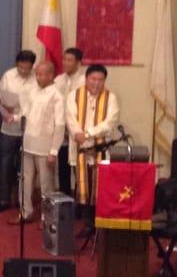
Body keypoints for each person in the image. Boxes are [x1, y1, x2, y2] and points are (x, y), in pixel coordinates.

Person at [6, 62, 65, 229]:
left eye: (43, 74)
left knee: (46, 184)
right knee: (24, 180)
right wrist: (15, 118)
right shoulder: (32, 91)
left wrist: (53, 151)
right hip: (28, 143)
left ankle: (48, 218)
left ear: (51, 75)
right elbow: (26, 112)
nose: (39, 77)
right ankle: (25, 212)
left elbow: (60, 125)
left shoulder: (56, 95)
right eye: (37, 74)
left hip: (45, 147)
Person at [66, 64, 119, 238]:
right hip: (80, 149)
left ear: (104, 81)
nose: (96, 83)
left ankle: (100, 223)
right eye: (93, 79)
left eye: (100, 80)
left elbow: (110, 123)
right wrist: (77, 133)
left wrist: (88, 133)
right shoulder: (74, 95)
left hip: (100, 149)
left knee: (100, 187)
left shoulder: (111, 98)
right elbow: (70, 118)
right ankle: (88, 223)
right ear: (86, 79)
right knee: (82, 185)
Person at [0, 50, 37, 212]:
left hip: (29, 127)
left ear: (32, 66)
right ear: (16, 64)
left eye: (27, 68)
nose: (24, 71)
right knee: (6, 163)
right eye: (21, 67)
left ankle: (22, 199)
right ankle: (4, 199)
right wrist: (4, 107)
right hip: (9, 126)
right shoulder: (8, 76)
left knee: (25, 166)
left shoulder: (36, 78)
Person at [54, 48, 85, 195]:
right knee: (63, 167)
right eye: (64, 59)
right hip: (61, 130)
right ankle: (64, 198)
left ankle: (81, 201)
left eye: (69, 60)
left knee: (78, 168)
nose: (65, 63)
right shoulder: (58, 80)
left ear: (78, 63)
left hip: (77, 131)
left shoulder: (84, 81)